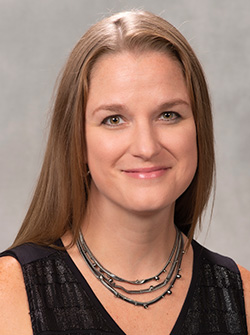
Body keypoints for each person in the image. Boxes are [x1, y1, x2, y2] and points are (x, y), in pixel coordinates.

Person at [0, 10, 249, 335]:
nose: (146, 147)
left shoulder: (242, 298)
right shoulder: (9, 295)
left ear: (199, 129)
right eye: (114, 119)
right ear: (76, 140)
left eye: (169, 115)